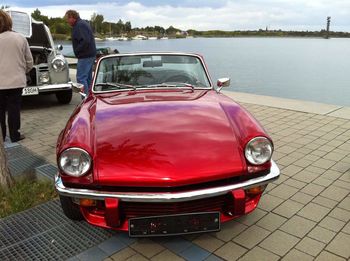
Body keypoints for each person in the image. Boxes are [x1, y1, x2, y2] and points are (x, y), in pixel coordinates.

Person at [0, 10, 33, 142]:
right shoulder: (20, 38)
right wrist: (22, 71)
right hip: (17, 81)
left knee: (0, 110)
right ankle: (15, 135)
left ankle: (1, 136)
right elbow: (29, 61)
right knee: (14, 109)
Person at [65, 10, 96, 96]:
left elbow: (85, 40)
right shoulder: (82, 23)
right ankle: (90, 97)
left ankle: (85, 100)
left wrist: (77, 51)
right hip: (90, 55)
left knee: (81, 78)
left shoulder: (79, 25)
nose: (67, 21)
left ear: (72, 17)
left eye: (67, 18)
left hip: (85, 56)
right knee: (88, 78)